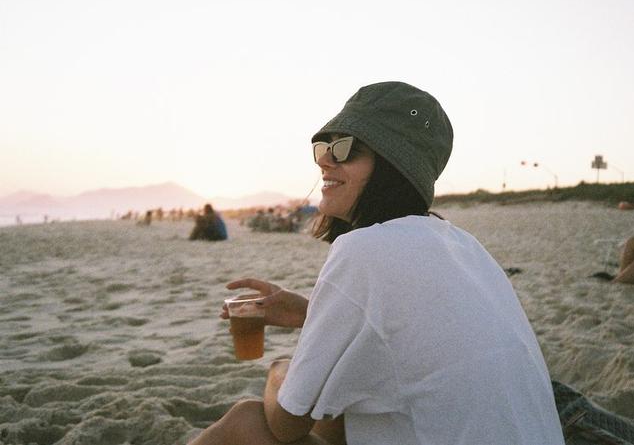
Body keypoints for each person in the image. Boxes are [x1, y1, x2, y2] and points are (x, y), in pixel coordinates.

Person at [189, 82, 564, 445]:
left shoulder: (363, 250)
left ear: (391, 165)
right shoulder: (464, 246)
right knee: (342, 411)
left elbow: (286, 423)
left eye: (344, 148)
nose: (325, 162)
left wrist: (278, 371)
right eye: (323, 148)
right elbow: (415, 332)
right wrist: (312, 312)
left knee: (246, 421)